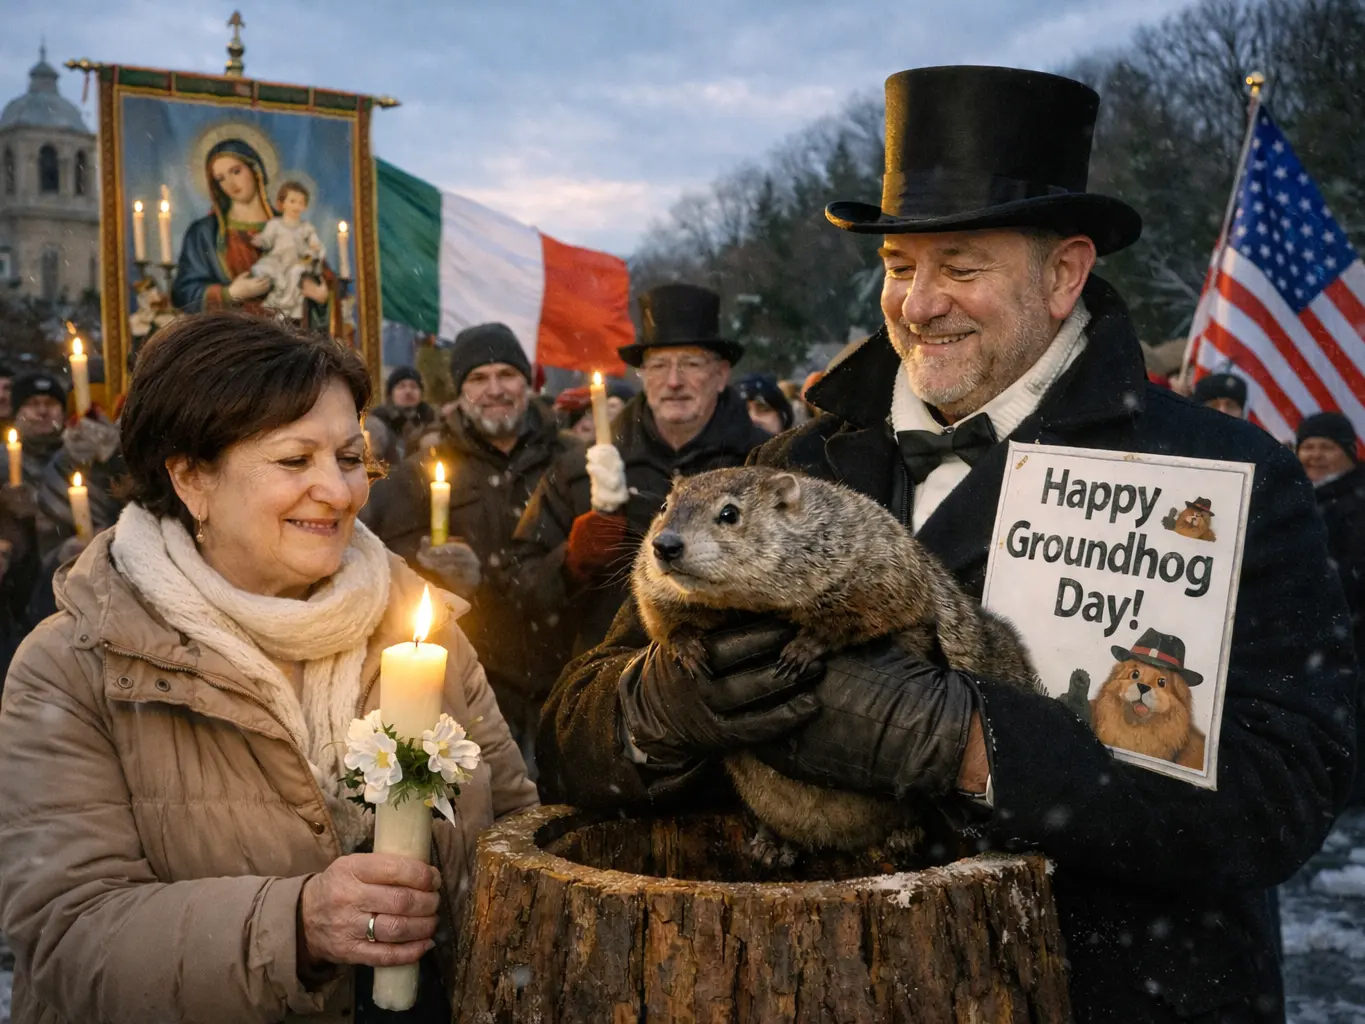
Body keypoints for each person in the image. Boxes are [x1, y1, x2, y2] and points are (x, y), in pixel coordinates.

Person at [537, 66, 1356, 1023]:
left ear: (1063, 274)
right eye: (898, 268)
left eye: (961, 267)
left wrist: (969, 744)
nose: (920, 304)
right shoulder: (790, 465)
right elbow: (569, 739)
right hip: (825, 986)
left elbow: (1281, 796)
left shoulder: (1222, 473)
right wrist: (666, 705)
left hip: (1102, 989)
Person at [0, 312, 537, 1023]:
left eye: (349, 457)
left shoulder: (420, 625)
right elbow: (67, 940)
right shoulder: (73, 666)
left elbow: (511, 829)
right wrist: (297, 925)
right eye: (294, 461)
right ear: (192, 478)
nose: (340, 492)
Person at [362, 322, 579, 768]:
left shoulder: (572, 460)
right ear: (460, 392)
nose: (495, 389)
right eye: (478, 378)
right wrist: (439, 576)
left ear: (527, 381)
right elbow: (381, 560)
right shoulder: (423, 471)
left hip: (566, 676)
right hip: (475, 683)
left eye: (507, 374)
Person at [512, 283, 770, 656]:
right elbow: (521, 590)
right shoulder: (577, 470)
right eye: (659, 365)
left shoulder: (762, 464)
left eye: (691, 364)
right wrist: (570, 563)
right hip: (609, 683)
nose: (674, 381)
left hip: (733, 680)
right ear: (643, 375)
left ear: (720, 374)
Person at [172, 139, 341, 337]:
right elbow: (184, 293)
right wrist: (230, 294)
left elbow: (322, 279)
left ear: (255, 169)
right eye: (220, 178)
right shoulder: (204, 233)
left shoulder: (292, 227)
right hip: (233, 345)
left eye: (236, 171)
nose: (231, 184)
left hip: (286, 344)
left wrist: (320, 296)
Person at [1296, 410, 1365, 802]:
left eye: (1327, 447)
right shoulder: (1293, 495)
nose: (1316, 456)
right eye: (1308, 446)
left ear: (1350, 454)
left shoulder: (1357, 501)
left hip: (1348, 639)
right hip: (1307, 638)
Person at [252, 180, 327, 322]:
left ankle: (285, 308)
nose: (297, 206)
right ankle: (279, 307)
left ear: (305, 206)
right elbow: (266, 239)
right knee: (267, 270)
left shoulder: (306, 227)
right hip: (278, 259)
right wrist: (260, 241)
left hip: (298, 261)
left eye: (301, 202)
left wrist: (315, 246)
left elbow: (315, 243)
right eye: (292, 201)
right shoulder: (275, 224)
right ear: (282, 203)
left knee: (295, 272)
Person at [366, 366, 437, 467]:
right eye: (401, 387)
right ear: (391, 394)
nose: (408, 391)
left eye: (413, 386)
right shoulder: (378, 423)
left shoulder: (432, 420)